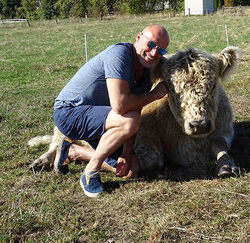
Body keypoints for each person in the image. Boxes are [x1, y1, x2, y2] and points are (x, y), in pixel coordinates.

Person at [53, 24, 170, 198]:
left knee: (132, 168)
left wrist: (126, 153)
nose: (154, 53)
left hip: (101, 119)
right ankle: (90, 173)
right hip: (69, 113)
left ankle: (72, 151)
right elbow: (121, 106)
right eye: (151, 45)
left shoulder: (145, 73)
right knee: (128, 121)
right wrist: (154, 95)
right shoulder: (120, 54)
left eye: (160, 51)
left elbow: (134, 109)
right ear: (138, 38)